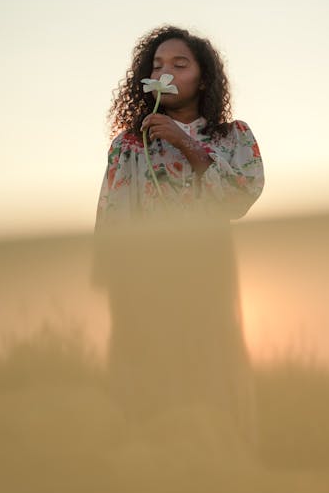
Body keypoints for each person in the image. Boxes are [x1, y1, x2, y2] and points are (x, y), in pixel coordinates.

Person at [91, 24, 264, 454]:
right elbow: (111, 220)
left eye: (179, 64)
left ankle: (219, 472)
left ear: (202, 78)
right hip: (145, 280)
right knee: (149, 374)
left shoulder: (232, 137)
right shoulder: (130, 145)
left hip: (208, 274)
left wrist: (188, 145)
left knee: (210, 370)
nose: (165, 72)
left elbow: (242, 196)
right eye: (157, 65)